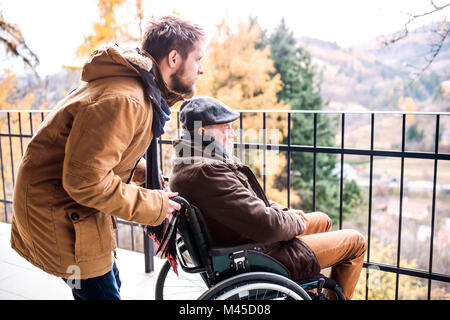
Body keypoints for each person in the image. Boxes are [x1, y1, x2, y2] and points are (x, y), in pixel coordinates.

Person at [10, 15, 205, 300]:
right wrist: (154, 204)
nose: (202, 70)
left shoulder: (136, 90)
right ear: (173, 58)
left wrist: (144, 176)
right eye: (198, 60)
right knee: (100, 291)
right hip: (57, 211)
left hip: (73, 206)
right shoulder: (126, 100)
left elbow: (103, 156)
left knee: (108, 280)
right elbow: (85, 182)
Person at [169, 96, 367, 300]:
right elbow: (268, 225)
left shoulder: (192, 161)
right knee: (356, 242)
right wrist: (295, 221)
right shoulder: (208, 172)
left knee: (322, 219)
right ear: (203, 131)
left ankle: (304, 292)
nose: (233, 133)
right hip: (255, 255)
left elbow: (248, 202)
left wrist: (286, 213)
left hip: (245, 242)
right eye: (226, 127)